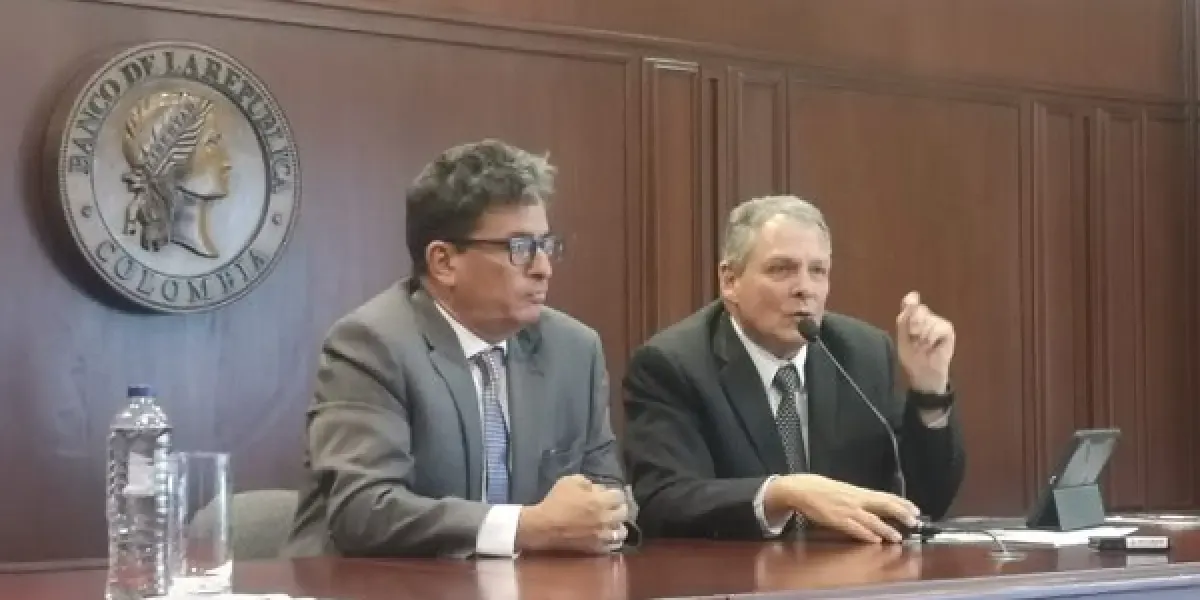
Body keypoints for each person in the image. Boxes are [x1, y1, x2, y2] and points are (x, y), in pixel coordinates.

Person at [286, 139, 634, 558]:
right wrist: (526, 527)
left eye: (546, 245)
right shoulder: (371, 346)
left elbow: (609, 491)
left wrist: (605, 518)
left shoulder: (574, 350)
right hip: (382, 584)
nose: (543, 268)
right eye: (520, 248)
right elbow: (364, 510)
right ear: (444, 262)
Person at [623, 195, 965, 543]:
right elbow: (665, 500)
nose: (805, 289)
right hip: (737, 572)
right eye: (781, 269)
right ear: (730, 281)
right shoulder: (674, 364)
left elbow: (925, 502)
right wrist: (783, 493)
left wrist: (929, 391)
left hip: (852, 571)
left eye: (817, 271)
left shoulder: (863, 353)